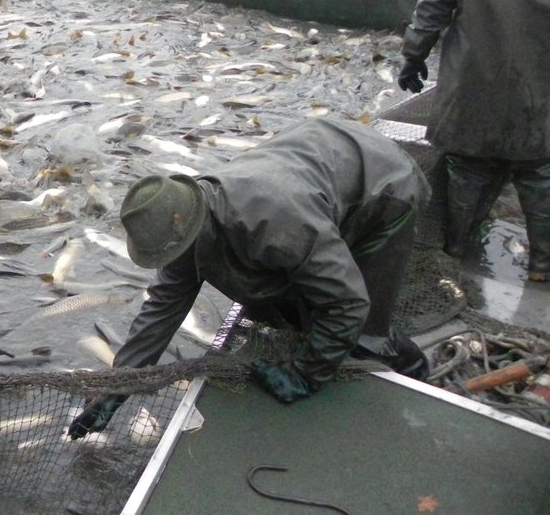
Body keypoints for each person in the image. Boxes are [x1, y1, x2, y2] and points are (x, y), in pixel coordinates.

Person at [69, 117, 430, 437]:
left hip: (383, 189)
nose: (171, 262)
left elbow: (348, 303)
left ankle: (413, 365)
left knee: (360, 330)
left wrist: (304, 374)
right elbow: (161, 312)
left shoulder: (276, 225)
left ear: (190, 225)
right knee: (294, 304)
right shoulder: (183, 224)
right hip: (316, 162)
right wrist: (116, 389)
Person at [398, 0, 550, 282]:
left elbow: (427, 19)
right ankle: (542, 265)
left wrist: (412, 60)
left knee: (466, 172)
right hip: (541, 105)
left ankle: (455, 249)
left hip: (470, 100)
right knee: (539, 177)